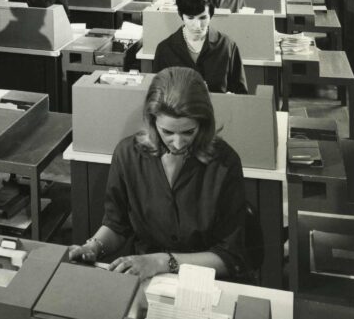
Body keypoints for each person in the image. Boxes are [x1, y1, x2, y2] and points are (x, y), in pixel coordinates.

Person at [68, 67, 248, 282]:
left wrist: (162, 262)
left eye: (189, 132)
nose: (178, 143)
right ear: (152, 122)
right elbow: (117, 224)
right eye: (168, 132)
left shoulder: (225, 163)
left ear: (204, 123)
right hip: (147, 276)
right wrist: (93, 247)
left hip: (202, 282)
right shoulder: (128, 155)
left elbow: (230, 257)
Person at [152, 0, 248, 94]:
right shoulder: (164, 50)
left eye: (203, 18)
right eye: (190, 18)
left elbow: (242, 95)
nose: (197, 25)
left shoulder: (227, 46)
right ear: (181, 15)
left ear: (211, 14)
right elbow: (156, 98)